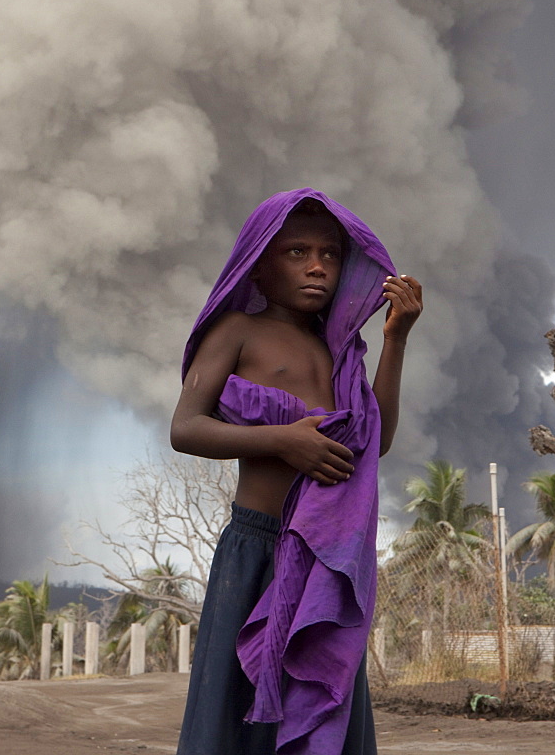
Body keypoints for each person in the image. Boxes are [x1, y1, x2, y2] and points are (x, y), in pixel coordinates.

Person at [171, 188, 422, 755]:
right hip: (253, 551)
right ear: (259, 265)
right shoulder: (237, 330)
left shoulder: (340, 350)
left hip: (324, 563)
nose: (317, 266)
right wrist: (285, 440)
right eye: (297, 252)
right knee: (235, 713)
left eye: (331, 255)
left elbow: (373, 441)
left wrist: (395, 339)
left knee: (319, 699)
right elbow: (185, 427)